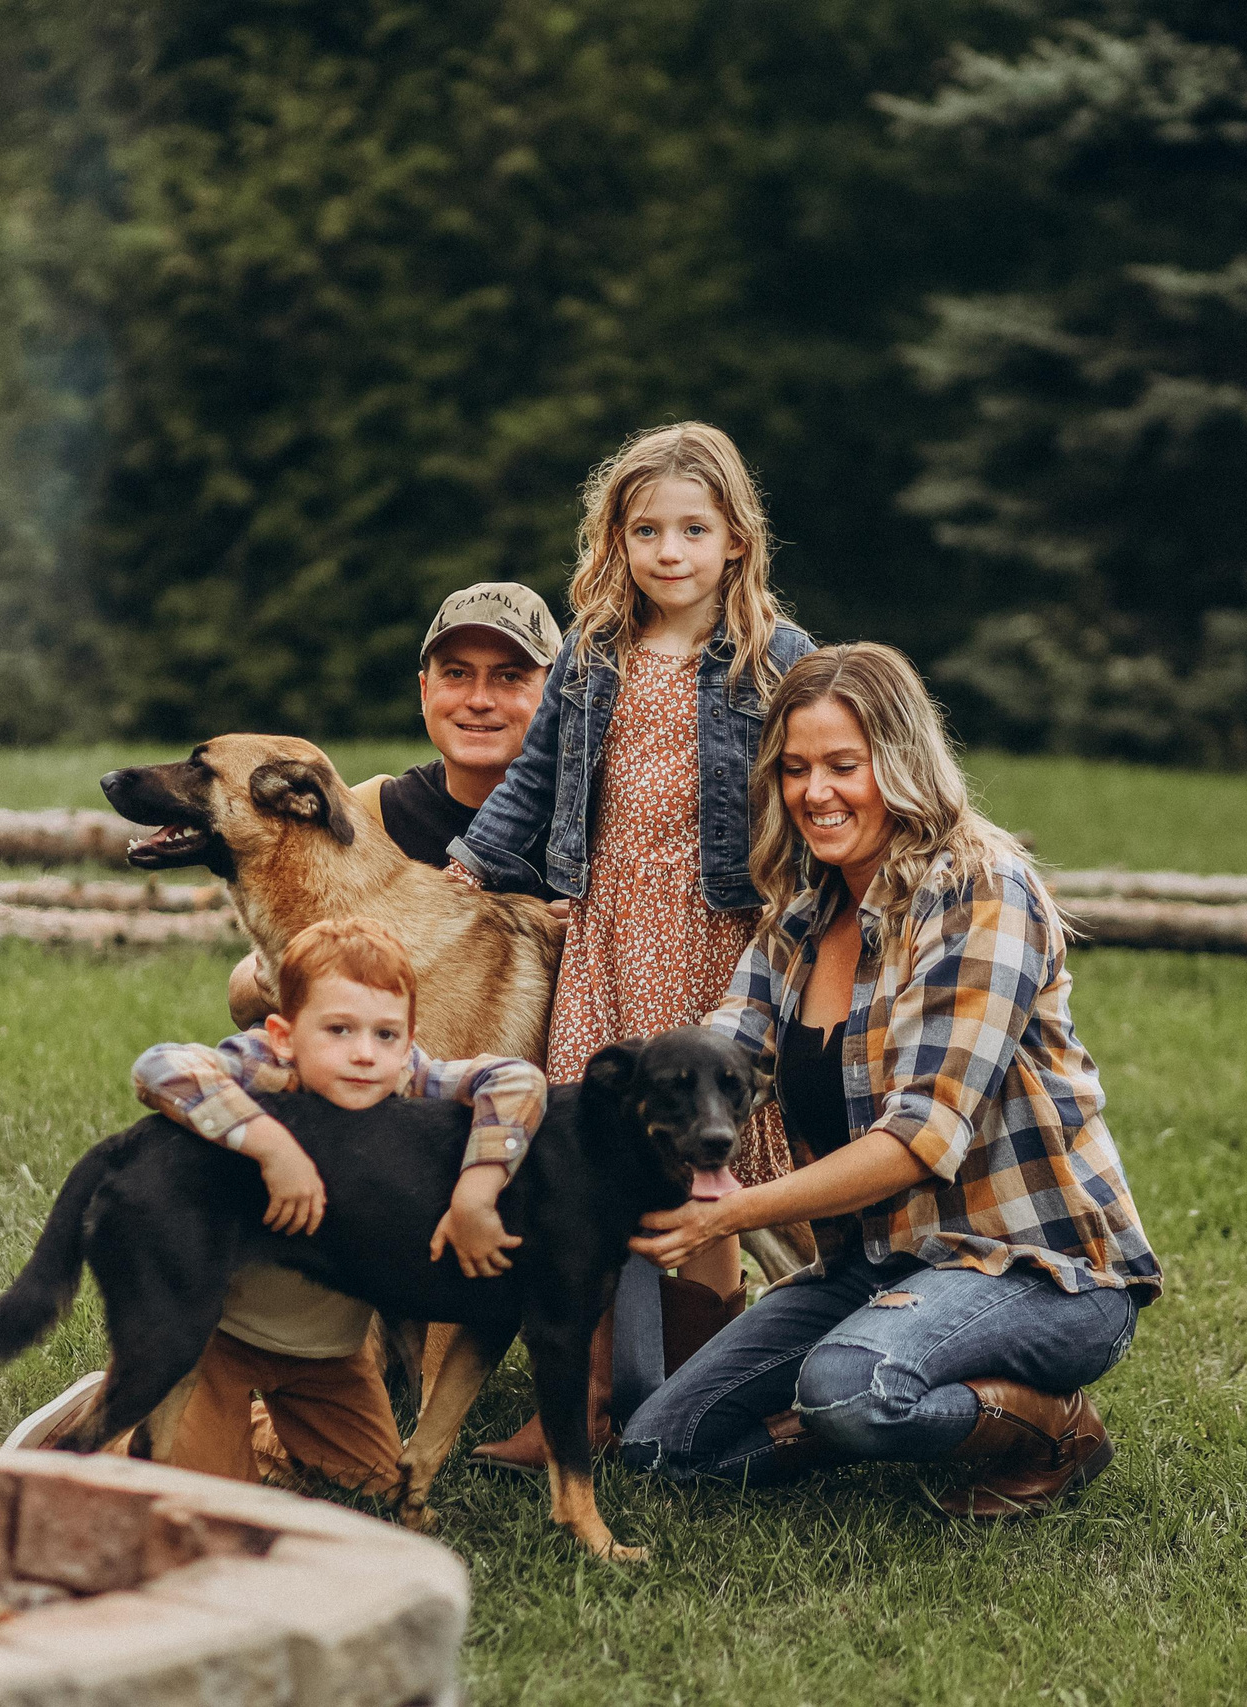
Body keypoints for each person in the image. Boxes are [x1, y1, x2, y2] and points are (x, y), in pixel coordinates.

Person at [617, 643, 1160, 1515]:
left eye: (844, 764)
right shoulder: (801, 914)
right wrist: (599, 1121)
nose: (814, 792)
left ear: (900, 760)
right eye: (794, 769)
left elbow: (921, 1136)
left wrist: (738, 1210)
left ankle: (1051, 1427)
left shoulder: (982, 887)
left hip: (1034, 1271)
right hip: (872, 1264)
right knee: (659, 1446)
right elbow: (723, 1050)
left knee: (850, 1387)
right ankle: (851, 1407)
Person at [445, 421, 815, 1470]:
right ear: (615, 540)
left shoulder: (774, 656)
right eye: (645, 529)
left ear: (736, 540)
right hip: (610, 929)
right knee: (594, 1156)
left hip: (716, 931)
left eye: (692, 529)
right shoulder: (594, 652)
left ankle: (699, 1396)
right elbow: (536, 779)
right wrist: (471, 866)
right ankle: (590, 1396)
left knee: (711, 1153)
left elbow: (812, 778)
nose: (669, 551)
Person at [7, 917, 548, 1500]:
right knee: (207, 1493)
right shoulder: (269, 1069)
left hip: (328, 1355)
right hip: (224, 1337)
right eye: (338, 1030)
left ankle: (256, 1434)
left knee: (378, 1490)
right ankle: (107, 1421)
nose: (364, 1054)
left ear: (409, 1038)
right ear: (285, 1036)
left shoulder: (404, 1078)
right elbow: (160, 1067)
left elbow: (517, 1080)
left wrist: (477, 1190)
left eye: (386, 1034)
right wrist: (270, 1144)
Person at [226, 582, 562, 1029]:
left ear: (559, 697)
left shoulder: (602, 817)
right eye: (457, 674)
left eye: (509, 677)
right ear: (424, 692)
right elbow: (245, 994)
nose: (479, 700)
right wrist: (286, 974)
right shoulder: (366, 815)